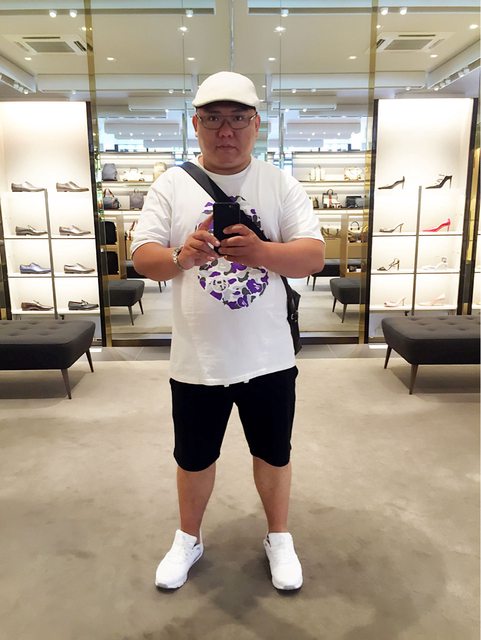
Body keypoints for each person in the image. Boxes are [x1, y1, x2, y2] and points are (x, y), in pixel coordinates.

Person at [131, 71, 325, 591]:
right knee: (194, 457)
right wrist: (182, 256)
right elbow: (142, 256)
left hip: (269, 356)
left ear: (256, 124)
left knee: (274, 452)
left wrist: (261, 252)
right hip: (198, 359)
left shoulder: (279, 183)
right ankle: (188, 538)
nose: (226, 130)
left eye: (238, 118)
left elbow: (313, 256)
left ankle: (279, 536)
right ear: (195, 124)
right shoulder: (171, 184)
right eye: (213, 118)